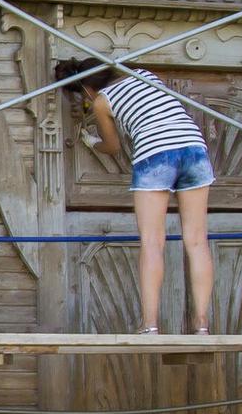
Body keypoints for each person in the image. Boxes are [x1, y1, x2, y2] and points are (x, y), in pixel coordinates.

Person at [54, 58, 216, 334]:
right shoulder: (143, 74)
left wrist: (90, 141)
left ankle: (150, 324)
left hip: (155, 153)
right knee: (197, 241)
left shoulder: (102, 102)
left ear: (86, 88)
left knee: (152, 241)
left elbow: (113, 146)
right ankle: (201, 324)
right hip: (193, 148)